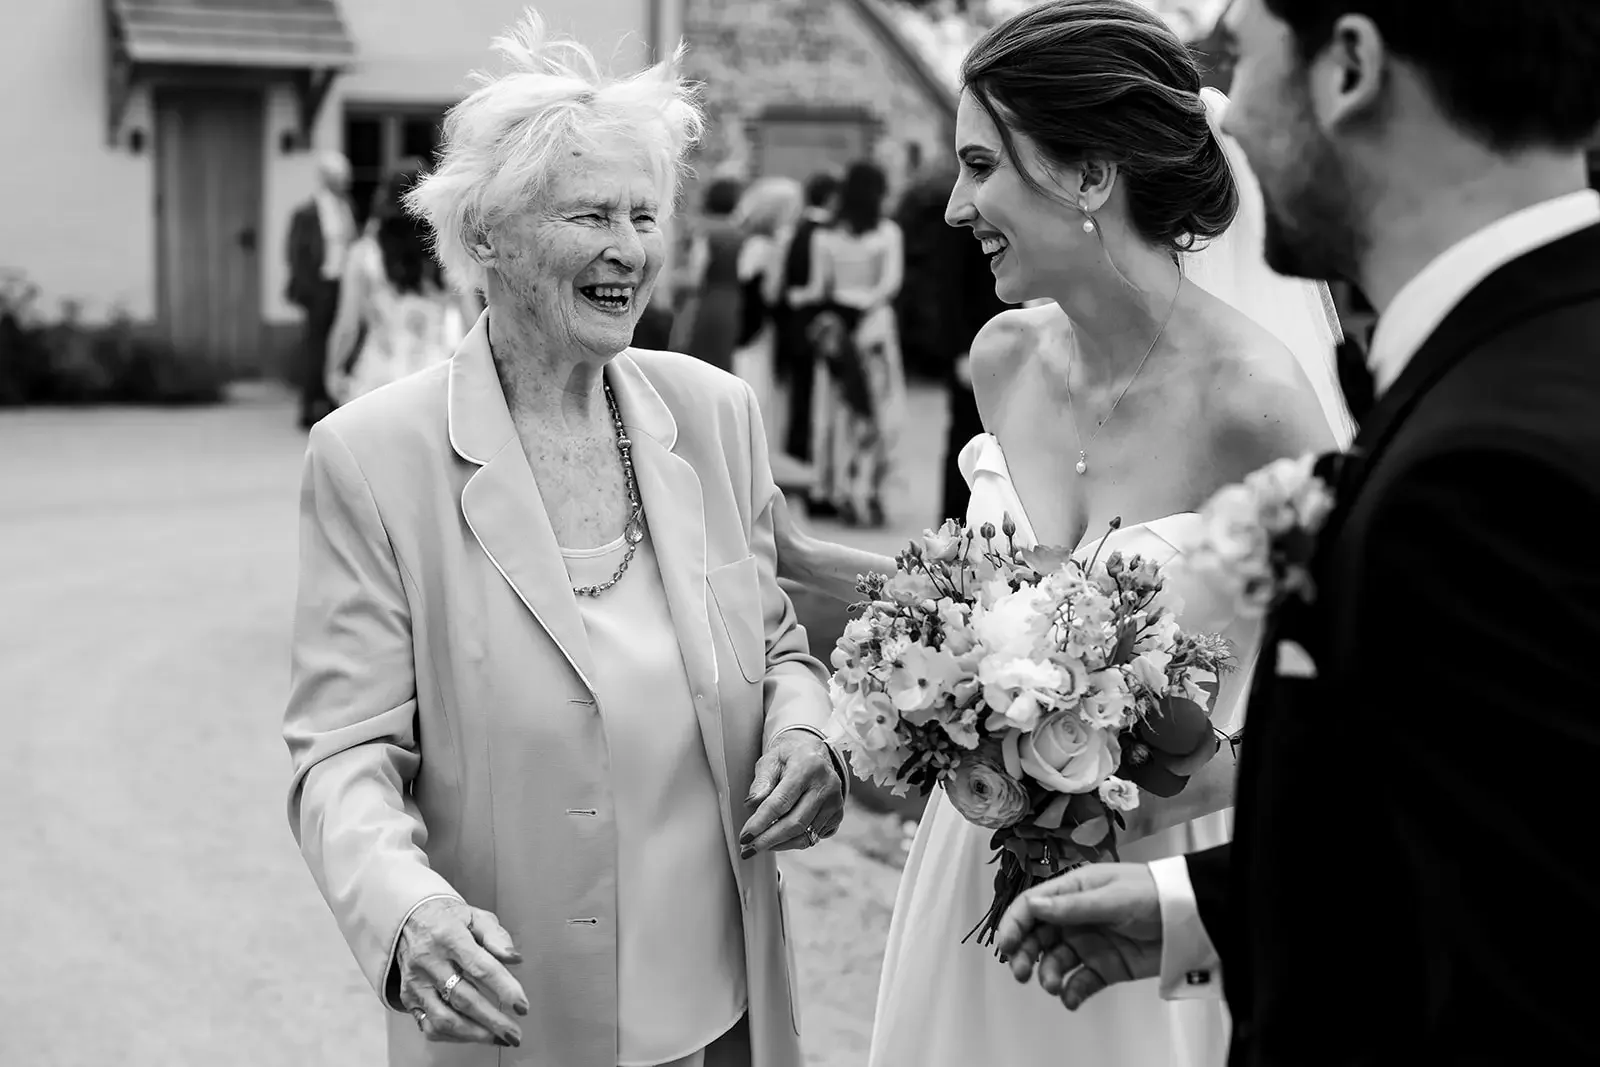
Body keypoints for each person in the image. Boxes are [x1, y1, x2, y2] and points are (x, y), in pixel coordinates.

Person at [996, 1, 1600, 1064]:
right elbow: (1484, 836)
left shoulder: (1483, 469)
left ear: (1351, 67)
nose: (1225, 112)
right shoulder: (1518, 365)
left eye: (1250, 59)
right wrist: (1201, 906)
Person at [777, 3, 1351, 1066]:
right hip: (968, 858)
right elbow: (984, 612)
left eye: (981, 165)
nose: (955, 207)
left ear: (1091, 177)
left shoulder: (1257, 402)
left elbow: (1330, 720)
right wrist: (839, 603)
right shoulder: (1005, 358)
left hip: (1140, 893)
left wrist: (1094, 780)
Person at [282, 13, 848, 1067]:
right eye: (590, 213)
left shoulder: (713, 413)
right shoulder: (373, 456)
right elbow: (343, 753)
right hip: (519, 1018)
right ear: (485, 236)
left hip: (722, 1006)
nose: (628, 247)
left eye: (643, 213)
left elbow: (776, 648)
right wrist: (406, 911)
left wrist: (808, 732)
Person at [791, 161, 906, 528]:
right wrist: (865, 308)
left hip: (837, 329)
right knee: (879, 410)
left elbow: (818, 288)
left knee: (839, 413)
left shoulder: (826, 236)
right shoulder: (888, 233)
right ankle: (870, 487)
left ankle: (840, 486)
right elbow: (890, 284)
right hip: (873, 329)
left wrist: (795, 298)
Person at [325, 160, 473, 404]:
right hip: (436, 379)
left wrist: (333, 369)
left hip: (379, 377)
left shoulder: (364, 255)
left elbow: (347, 324)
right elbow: (471, 322)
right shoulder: (447, 255)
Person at [775, 171, 840, 502]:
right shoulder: (822, 234)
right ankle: (809, 478)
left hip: (791, 327)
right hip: (813, 325)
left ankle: (795, 470)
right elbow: (816, 287)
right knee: (814, 403)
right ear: (830, 198)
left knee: (799, 402)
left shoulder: (795, 231)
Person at [729, 177, 805, 444]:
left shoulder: (756, 243)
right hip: (758, 333)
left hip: (756, 331)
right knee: (757, 394)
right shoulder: (763, 246)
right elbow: (769, 294)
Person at [286, 151, 357, 428]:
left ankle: (330, 403)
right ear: (327, 179)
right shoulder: (307, 212)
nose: (345, 182)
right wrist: (305, 290)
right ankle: (308, 407)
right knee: (314, 348)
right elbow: (294, 254)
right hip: (319, 287)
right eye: (340, 177)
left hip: (343, 284)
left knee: (337, 345)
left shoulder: (346, 207)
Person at [673, 177, 746, 372]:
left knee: (701, 363)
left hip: (706, 302)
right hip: (736, 302)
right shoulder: (742, 233)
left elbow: (695, 276)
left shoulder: (704, 232)